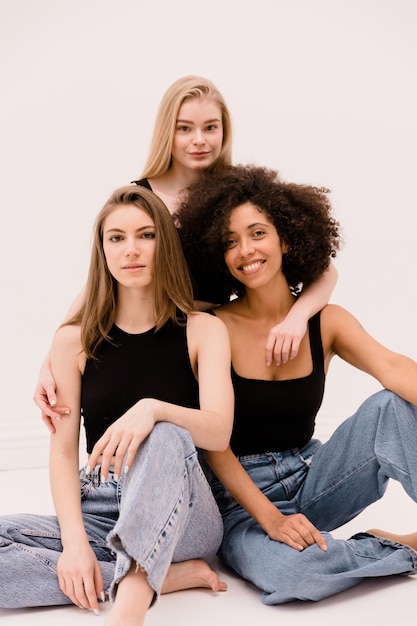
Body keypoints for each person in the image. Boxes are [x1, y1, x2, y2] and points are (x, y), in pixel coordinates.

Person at [34, 76, 338, 425]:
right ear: (168, 132)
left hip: (207, 342)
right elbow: (101, 280)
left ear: (224, 132)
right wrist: (54, 355)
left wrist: (297, 319)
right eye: (185, 128)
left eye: (210, 127)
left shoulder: (234, 194)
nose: (199, 140)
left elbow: (324, 269)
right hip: (150, 341)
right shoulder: (141, 198)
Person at [176, 164, 417, 604]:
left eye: (257, 233)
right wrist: (269, 518)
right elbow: (213, 443)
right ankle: (397, 548)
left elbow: (394, 367)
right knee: (294, 576)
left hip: (316, 478)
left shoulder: (325, 321)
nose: (245, 250)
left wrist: (299, 316)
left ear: (287, 238)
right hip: (241, 506)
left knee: (392, 406)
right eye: (230, 241)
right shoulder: (209, 328)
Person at [0, 185, 234, 625]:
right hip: (102, 505)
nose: (132, 249)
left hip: (185, 513)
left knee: (163, 431)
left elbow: (219, 431)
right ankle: (164, 576)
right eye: (117, 238)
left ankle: (130, 605)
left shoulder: (203, 330)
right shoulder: (73, 341)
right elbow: (64, 450)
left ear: (165, 243)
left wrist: (153, 409)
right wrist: (74, 545)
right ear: (102, 251)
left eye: (146, 235)